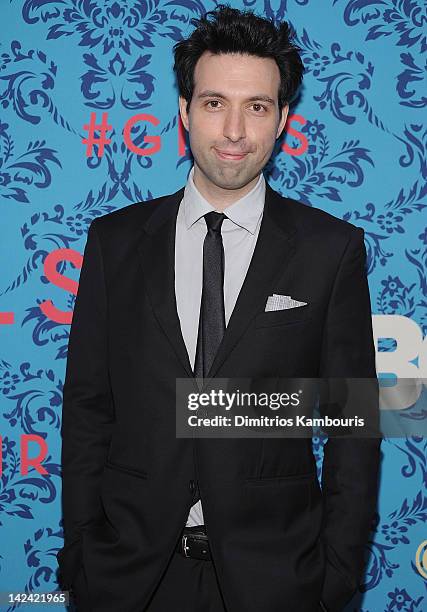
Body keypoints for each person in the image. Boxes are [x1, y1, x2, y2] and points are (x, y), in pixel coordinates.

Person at [56, 5, 382, 612]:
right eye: (213, 103)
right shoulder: (115, 242)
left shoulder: (330, 249)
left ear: (283, 118)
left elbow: (352, 424)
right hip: (129, 575)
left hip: (278, 576)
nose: (234, 130)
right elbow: (88, 408)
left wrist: (338, 573)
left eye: (256, 106)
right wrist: (80, 551)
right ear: (184, 112)